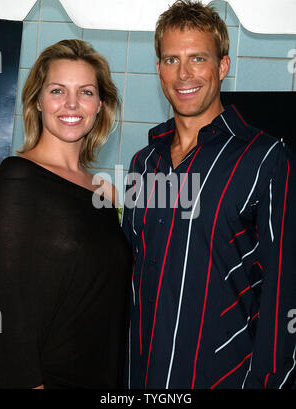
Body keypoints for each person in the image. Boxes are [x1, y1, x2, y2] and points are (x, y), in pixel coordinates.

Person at [122, 0, 296, 389]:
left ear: (222, 66)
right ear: (158, 70)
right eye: (170, 60)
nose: (183, 74)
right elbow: (135, 277)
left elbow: (283, 291)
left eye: (197, 58)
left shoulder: (266, 158)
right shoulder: (142, 163)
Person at [0, 39, 132, 389]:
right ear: (37, 101)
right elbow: (8, 306)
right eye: (58, 90)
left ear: (100, 104)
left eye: (86, 92)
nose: (72, 104)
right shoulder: (17, 177)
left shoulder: (106, 192)